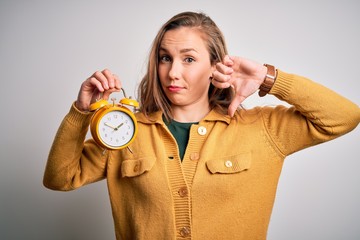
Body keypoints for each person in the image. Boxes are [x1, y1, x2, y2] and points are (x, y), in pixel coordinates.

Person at [43, 11, 360, 240]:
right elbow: (60, 177)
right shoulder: (125, 131)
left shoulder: (262, 129)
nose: (172, 72)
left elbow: (344, 117)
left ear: (215, 66)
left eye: (189, 59)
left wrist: (268, 77)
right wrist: (81, 111)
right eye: (165, 58)